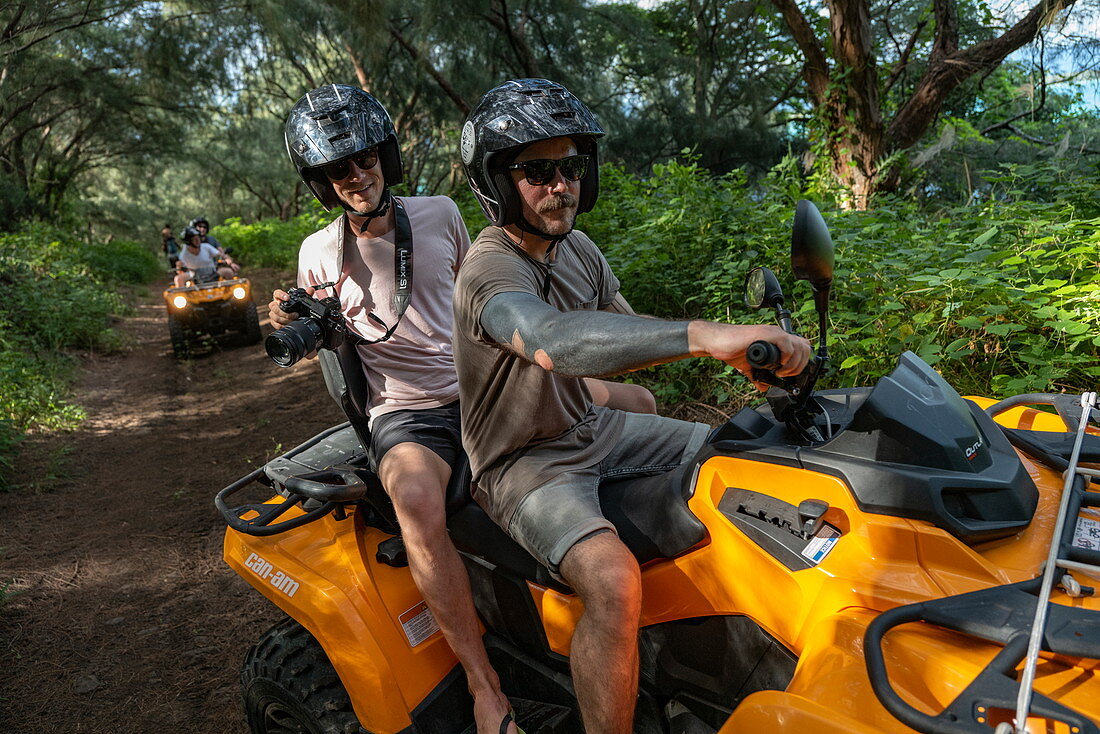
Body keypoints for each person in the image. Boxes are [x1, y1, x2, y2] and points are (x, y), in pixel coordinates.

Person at [453, 78, 812, 734]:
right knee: (614, 582)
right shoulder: (488, 269)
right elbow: (550, 341)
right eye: (537, 170)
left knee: (739, 453)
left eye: (569, 167)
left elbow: (625, 330)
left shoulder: (579, 250)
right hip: (523, 464)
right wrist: (704, 335)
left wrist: (741, 357)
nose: (559, 185)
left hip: (593, 425)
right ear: (497, 183)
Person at [267, 83, 523, 734]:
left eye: (364, 159)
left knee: (595, 419)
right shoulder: (318, 253)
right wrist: (289, 317)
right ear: (323, 182)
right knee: (414, 503)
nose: (356, 176)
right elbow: (314, 333)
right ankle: (482, 682)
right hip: (403, 414)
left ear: (385, 155)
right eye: (338, 169)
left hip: (479, 388)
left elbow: (480, 297)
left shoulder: (440, 213)